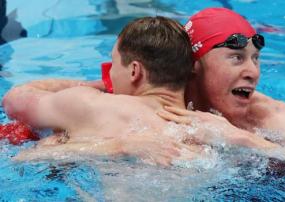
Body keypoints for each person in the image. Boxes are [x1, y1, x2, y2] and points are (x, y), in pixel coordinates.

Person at [2, 16, 208, 165]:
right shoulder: (211, 127)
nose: (110, 73)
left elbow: (14, 101)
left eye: (114, 63)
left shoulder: (94, 105)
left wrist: (94, 85)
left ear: (135, 70)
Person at [158, 8, 285, 163]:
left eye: (256, 58)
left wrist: (242, 139)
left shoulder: (272, 117)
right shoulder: (155, 107)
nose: (253, 72)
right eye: (237, 57)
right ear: (192, 64)